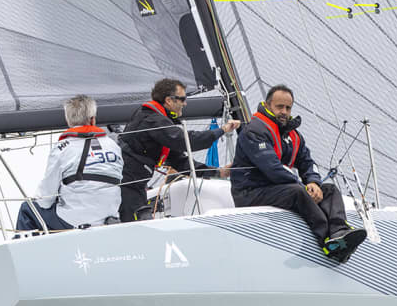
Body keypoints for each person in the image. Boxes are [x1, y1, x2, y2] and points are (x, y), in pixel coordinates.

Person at [230, 84, 366, 263]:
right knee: (297, 191)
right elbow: (272, 169)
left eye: (288, 108)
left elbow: (307, 162)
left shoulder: (293, 135)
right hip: (249, 192)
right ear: (268, 105)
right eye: (279, 107)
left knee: (329, 190)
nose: (284, 112)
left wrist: (314, 182)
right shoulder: (254, 131)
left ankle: (339, 232)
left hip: (276, 189)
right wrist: (304, 186)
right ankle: (327, 241)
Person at [118, 78, 240, 222]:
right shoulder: (152, 120)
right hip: (126, 186)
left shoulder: (158, 123)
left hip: (134, 185)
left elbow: (180, 162)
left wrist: (218, 172)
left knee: (139, 223)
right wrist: (223, 130)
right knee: (135, 225)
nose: (185, 103)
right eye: (182, 99)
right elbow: (188, 141)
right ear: (169, 100)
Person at [16, 94, 123, 232]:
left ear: (69, 121)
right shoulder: (112, 145)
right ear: (93, 120)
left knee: (28, 209)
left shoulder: (62, 148)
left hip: (75, 220)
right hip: (110, 217)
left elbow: (45, 199)